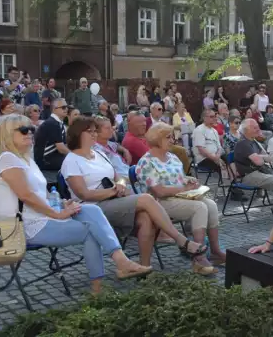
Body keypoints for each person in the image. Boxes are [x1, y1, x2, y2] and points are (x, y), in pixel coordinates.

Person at [0, 114, 151, 293]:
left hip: (41, 217)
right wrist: (57, 214)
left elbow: (41, 195)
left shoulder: (26, 160)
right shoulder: (8, 158)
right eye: (23, 130)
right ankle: (101, 286)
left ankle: (118, 266)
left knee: (90, 210)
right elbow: (26, 196)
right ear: (7, 134)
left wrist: (61, 204)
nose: (29, 133)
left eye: (32, 129)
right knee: (91, 230)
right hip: (23, 227)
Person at [61, 117, 208, 269]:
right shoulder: (72, 160)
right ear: (78, 134)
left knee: (146, 218)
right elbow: (83, 194)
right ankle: (181, 241)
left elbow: (119, 178)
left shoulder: (99, 154)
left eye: (94, 131)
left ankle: (144, 268)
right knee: (146, 198)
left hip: (114, 201)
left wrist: (120, 185)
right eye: (89, 131)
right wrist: (112, 190)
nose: (94, 134)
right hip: (92, 208)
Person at [136, 123, 226, 275]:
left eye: (173, 136)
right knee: (200, 207)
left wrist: (188, 180)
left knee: (210, 204)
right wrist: (184, 189)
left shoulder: (172, 157)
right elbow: (159, 191)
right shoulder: (146, 162)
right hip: (159, 203)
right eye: (168, 137)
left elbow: (178, 178)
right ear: (157, 139)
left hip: (179, 197)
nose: (173, 140)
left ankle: (215, 252)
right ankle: (199, 258)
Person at [234, 119, 273, 193]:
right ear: (246, 130)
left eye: (258, 127)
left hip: (260, 172)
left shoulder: (253, 141)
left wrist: (259, 156)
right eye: (255, 128)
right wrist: (261, 157)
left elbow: (269, 158)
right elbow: (259, 162)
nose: (258, 129)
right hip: (249, 176)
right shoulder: (243, 143)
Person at [34, 98, 70, 171]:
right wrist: (77, 155)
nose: (66, 109)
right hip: (46, 160)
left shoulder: (58, 123)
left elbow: (64, 145)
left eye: (66, 107)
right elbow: (61, 148)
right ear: (54, 109)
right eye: (63, 107)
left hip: (53, 157)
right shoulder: (52, 123)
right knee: (75, 163)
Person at [93, 116, 132, 180]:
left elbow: (117, 145)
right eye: (107, 128)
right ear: (97, 132)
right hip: (121, 181)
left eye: (111, 127)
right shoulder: (96, 150)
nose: (111, 130)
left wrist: (125, 150)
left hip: (128, 174)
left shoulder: (108, 143)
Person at [192, 109, 226, 173]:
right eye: (211, 117)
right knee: (222, 165)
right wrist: (214, 158)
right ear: (204, 118)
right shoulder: (199, 130)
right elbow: (201, 150)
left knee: (229, 159)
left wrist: (217, 156)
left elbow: (219, 147)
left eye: (215, 116)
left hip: (215, 157)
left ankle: (232, 180)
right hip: (203, 159)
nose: (214, 118)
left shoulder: (214, 131)